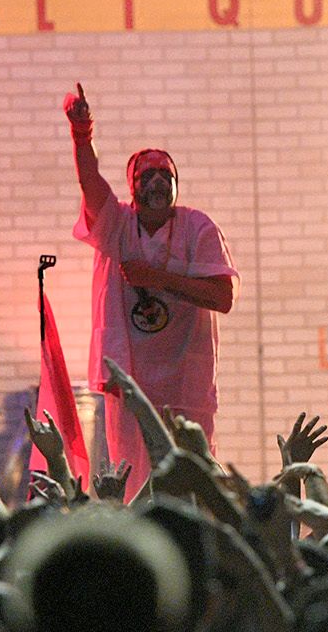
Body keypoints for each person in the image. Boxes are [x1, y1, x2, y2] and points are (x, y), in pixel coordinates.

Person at [64, 82, 238, 492]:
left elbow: (222, 298)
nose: (158, 181)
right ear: (132, 186)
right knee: (132, 483)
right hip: (130, 386)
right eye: (148, 175)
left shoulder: (199, 227)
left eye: (166, 175)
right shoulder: (116, 224)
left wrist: (157, 278)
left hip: (186, 384)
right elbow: (89, 181)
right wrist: (82, 134)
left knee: (191, 483)